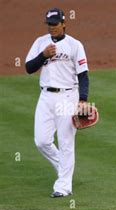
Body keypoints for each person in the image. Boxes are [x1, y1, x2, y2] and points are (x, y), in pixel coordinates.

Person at [25, 8, 90, 198]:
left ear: (64, 23)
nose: (51, 27)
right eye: (49, 24)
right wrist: (43, 55)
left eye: (55, 24)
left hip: (68, 97)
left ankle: (63, 186)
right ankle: (64, 171)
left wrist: (83, 100)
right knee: (41, 141)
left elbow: (83, 75)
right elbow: (29, 68)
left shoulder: (74, 45)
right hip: (46, 97)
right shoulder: (40, 43)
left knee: (66, 142)